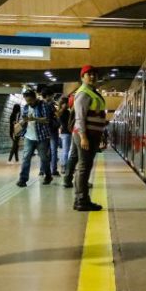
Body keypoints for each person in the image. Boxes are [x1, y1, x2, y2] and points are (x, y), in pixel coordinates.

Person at [72, 65, 107, 211]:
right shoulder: (83, 93)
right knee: (84, 167)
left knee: (84, 167)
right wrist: (83, 137)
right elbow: (80, 117)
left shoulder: (92, 92)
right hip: (86, 136)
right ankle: (82, 200)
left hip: (92, 135)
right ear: (82, 77)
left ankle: (79, 199)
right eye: (88, 74)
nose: (92, 76)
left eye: (94, 74)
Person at [16, 89, 54, 187]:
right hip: (29, 136)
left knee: (44, 158)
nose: (29, 103)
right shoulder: (25, 107)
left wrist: (35, 119)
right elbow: (24, 120)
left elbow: (47, 120)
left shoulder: (43, 105)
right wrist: (23, 122)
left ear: (35, 98)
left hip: (42, 137)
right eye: (27, 101)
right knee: (26, 158)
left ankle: (48, 176)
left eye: (30, 101)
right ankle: (23, 180)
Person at [57, 96, 72, 173]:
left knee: (66, 150)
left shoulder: (60, 112)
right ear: (63, 104)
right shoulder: (65, 112)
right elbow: (66, 123)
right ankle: (64, 166)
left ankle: (65, 166)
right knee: (66, 150)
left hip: (65, 133)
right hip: (66, 133)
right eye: (67, 103)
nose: (68, 105)